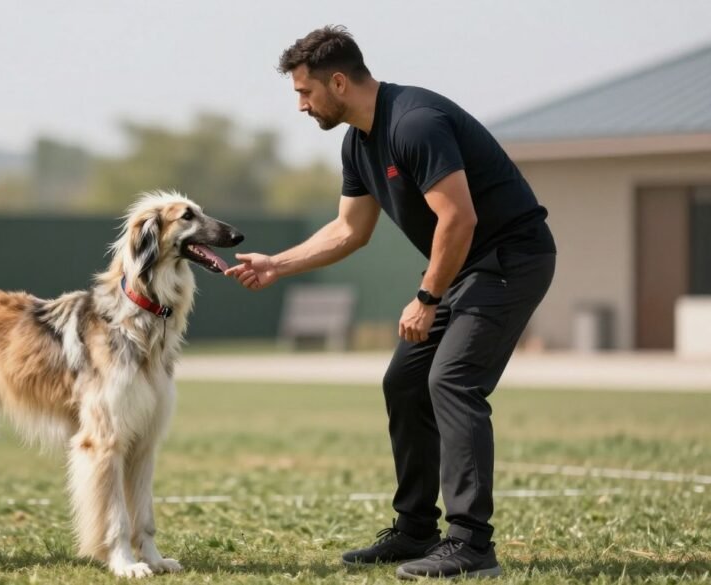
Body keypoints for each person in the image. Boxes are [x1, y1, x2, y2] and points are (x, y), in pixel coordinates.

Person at [225, 25, 556, 580]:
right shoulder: (358, 142)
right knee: (404, 381)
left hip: (510, 259)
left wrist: (427, 296)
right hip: (465, 268)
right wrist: (276, 264)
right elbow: (349, 230)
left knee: (453, 381)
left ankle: (471, 544)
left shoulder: (414, 124)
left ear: (338, 82)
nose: (301, 106)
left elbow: (459, 218)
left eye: (305, 92)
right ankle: (416, 529)